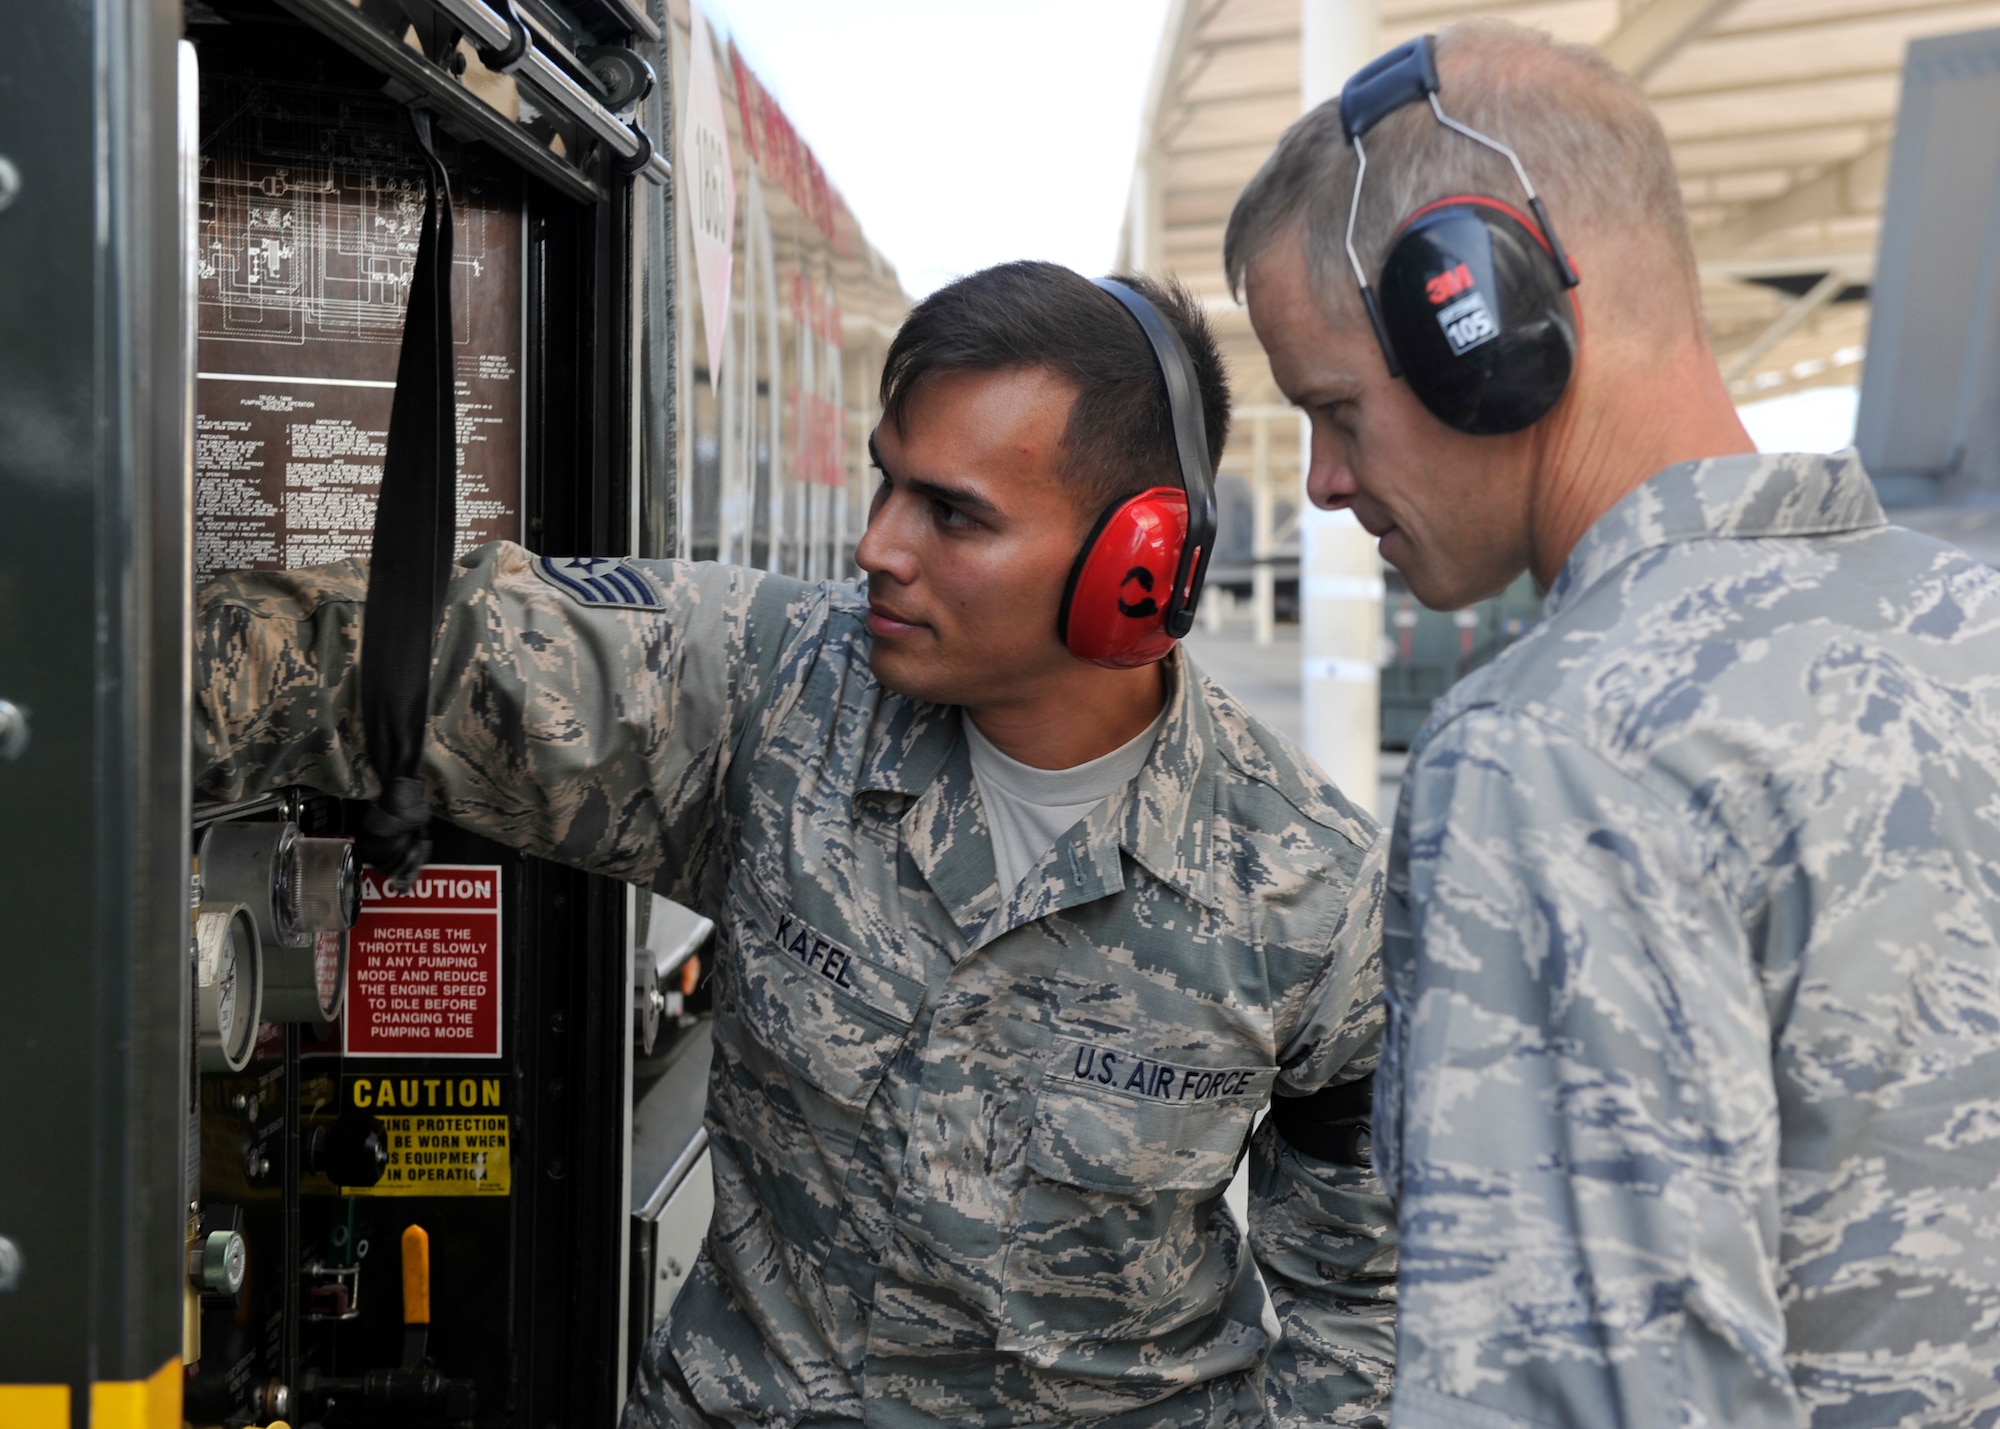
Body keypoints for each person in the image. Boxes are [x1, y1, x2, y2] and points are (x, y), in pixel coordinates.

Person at [194, 261, 1399, 1426]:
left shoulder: (1308, 891)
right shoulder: (775, 687)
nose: (877, 544)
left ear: (1134, 569)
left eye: (951, 512)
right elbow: (394, 660)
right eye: (887, 483)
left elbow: (1369, 1308)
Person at [1225, 19, 2000, 1429]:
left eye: (1333, 408)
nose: (1326, 482)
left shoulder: (1552, 753)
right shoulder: (1978, 631)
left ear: (1483, 322)